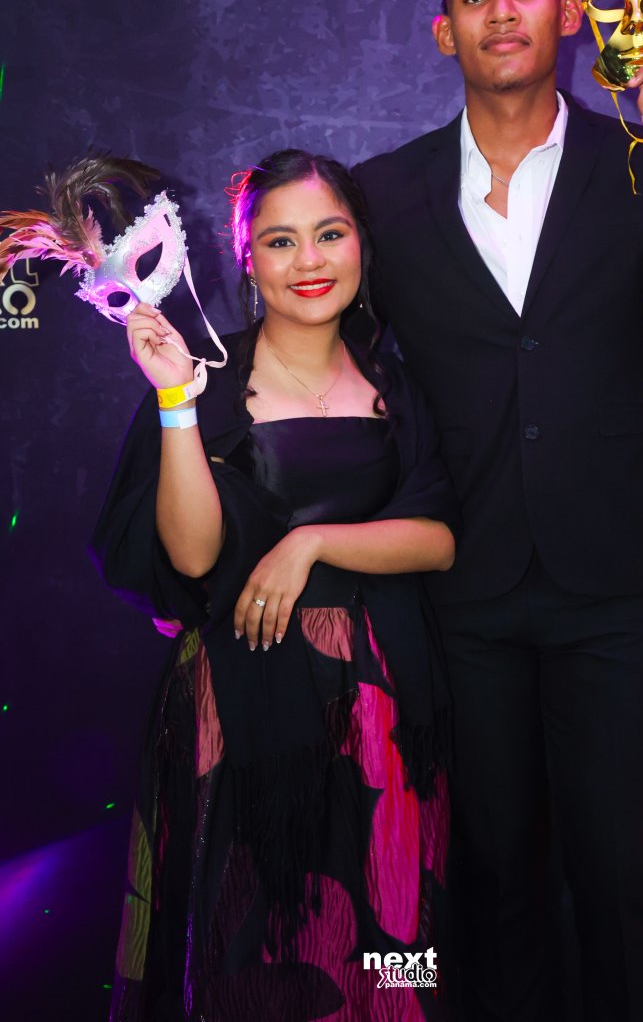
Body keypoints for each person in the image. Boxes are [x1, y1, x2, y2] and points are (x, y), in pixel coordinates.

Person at [353, 0, 643, 1022]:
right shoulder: (378, 196)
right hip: (454, 591)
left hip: (608, 590)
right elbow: (332, 377)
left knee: (625, 877)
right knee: (489, 883)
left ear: (571, 14)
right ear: (444, 31)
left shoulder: (641, 166)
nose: (501, 12)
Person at [91, 150, 459, 1021]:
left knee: (393, 954)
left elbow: (438, 541)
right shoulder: (209, 382)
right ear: (247, 259)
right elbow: (191, 558)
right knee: (249, 954)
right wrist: (176, 400)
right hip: (239, 709)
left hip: (382, 712)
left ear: (361, 244)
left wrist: (310, 543)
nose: (309, 261)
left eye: (330, 234)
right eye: (281, 241)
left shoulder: (394, 385)